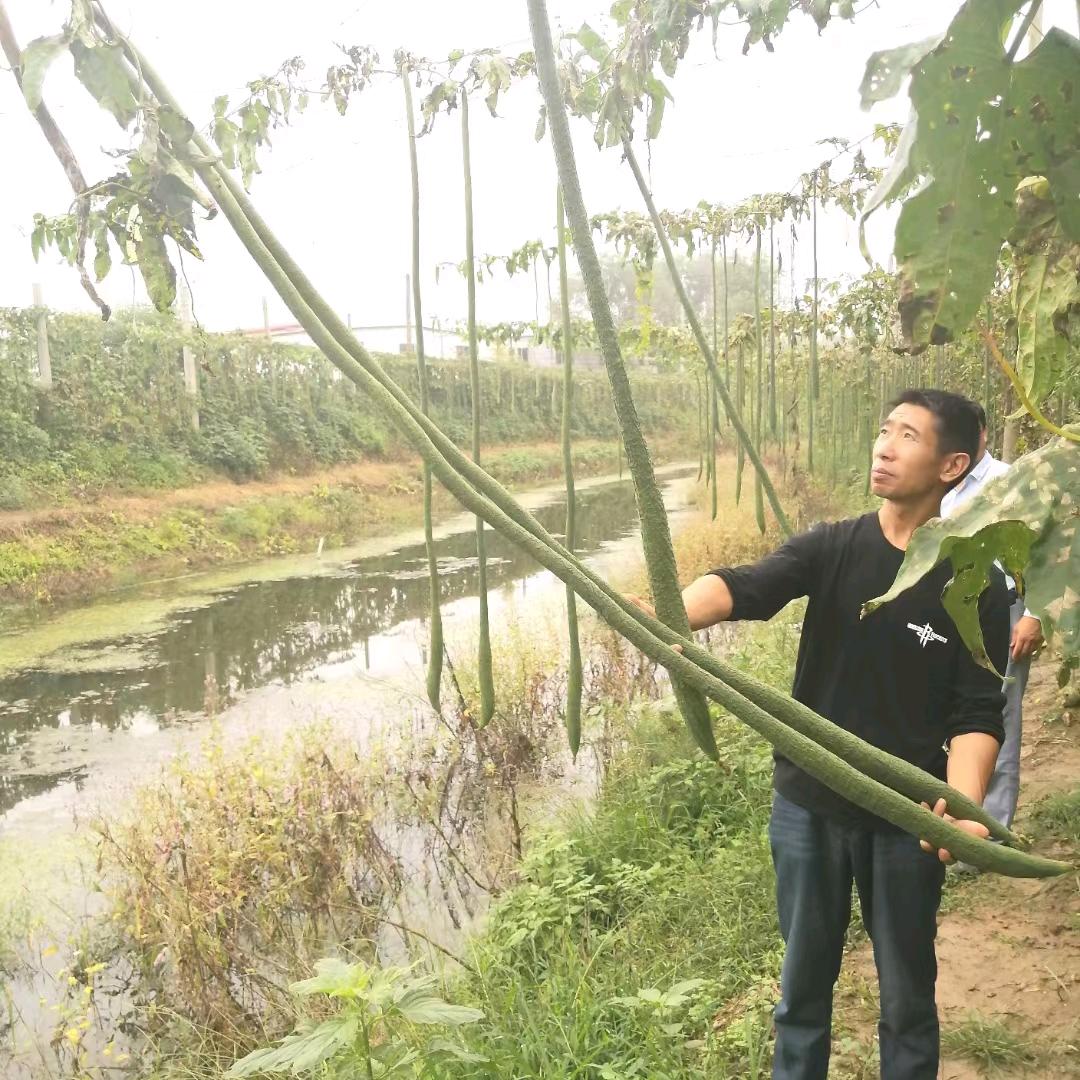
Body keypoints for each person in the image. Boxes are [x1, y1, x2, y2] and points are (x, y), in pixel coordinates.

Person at [628, 389, 1009, 1080]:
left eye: (909, 437)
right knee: (801, 995)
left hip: (906, 821)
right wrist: (666, 617)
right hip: (806, 807)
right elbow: (746, 586)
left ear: (953, 464)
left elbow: (978, 712)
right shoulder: (833, 546)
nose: (885, 446)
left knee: (908, 999)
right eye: (884, 430)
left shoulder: (975, 582)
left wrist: (964, 806)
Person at [939, 404, 1043, 829]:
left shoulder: (1010, 481)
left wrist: (1034, 614)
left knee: (999, 714)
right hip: (952, 609)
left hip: (1003, 607)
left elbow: (1043, 547)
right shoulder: (939, 485)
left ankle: (992, 830)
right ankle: (951, 817)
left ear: (982, 433)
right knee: (950, 709)